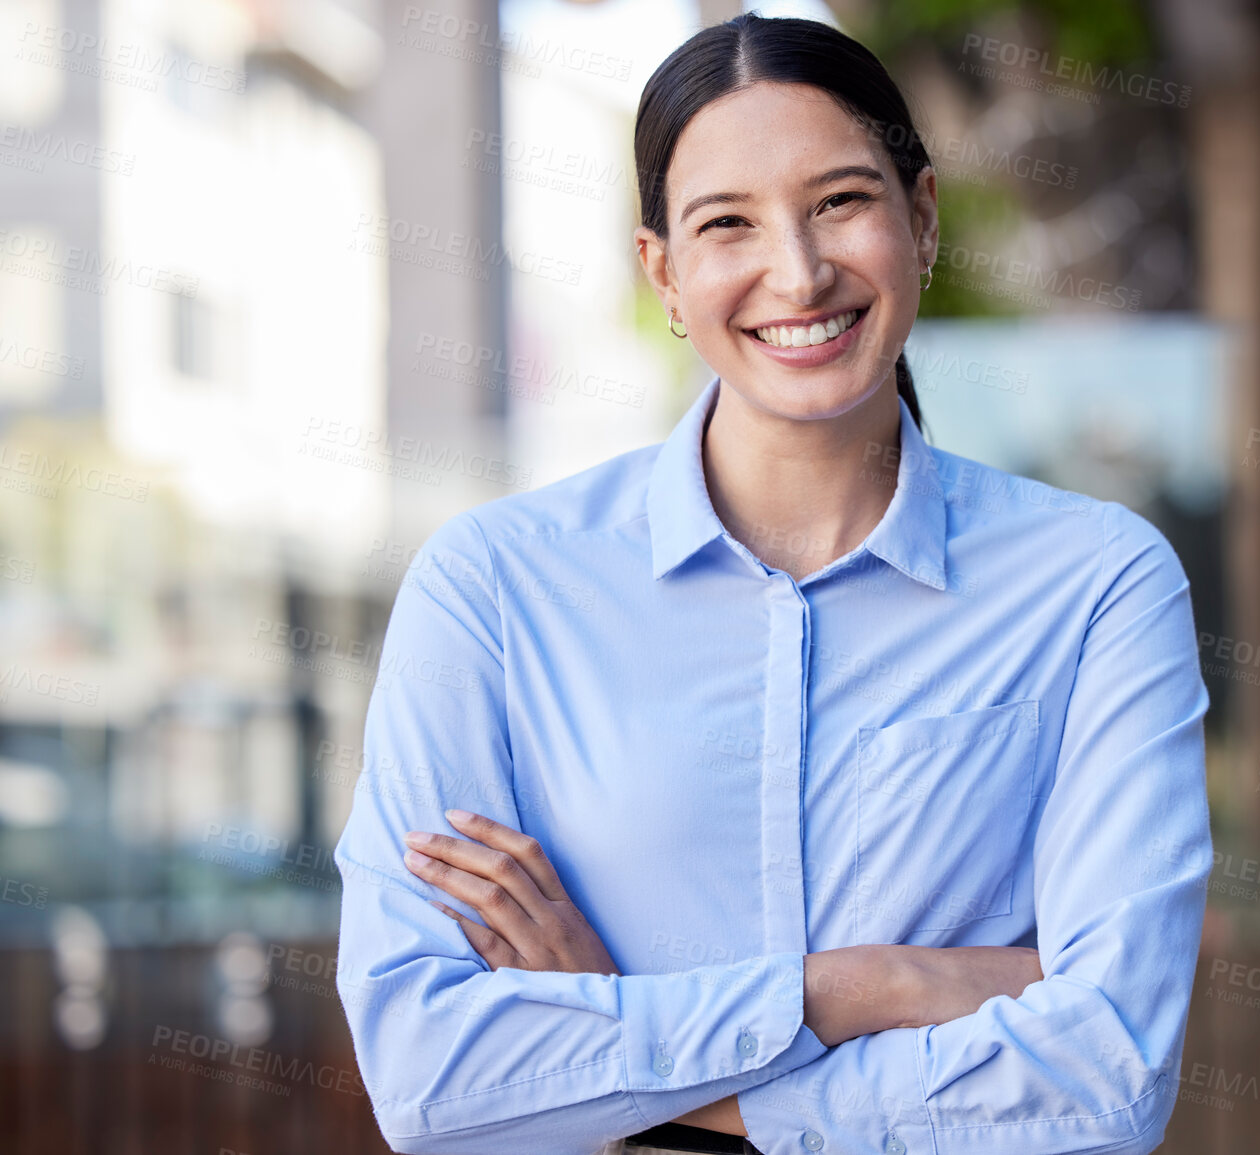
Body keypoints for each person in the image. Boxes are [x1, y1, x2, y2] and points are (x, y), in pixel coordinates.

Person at [334, 13, 1212, 1155]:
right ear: (664, 272)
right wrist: (868, 986)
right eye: (726, 224)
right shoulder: (495, 591)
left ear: (924, 218)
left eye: (841, 201)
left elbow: (1108, 1083)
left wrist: (631, 1052)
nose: (796, 272)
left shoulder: (1096, 587)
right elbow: (430, 1080)